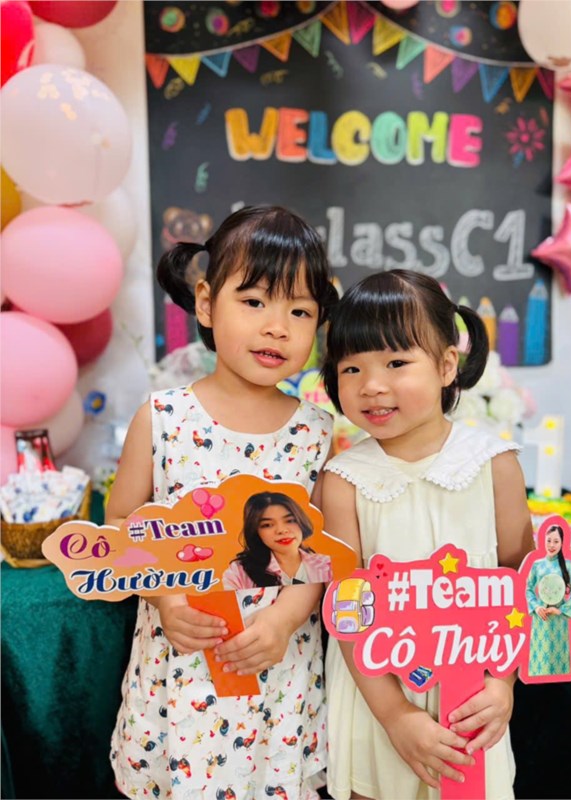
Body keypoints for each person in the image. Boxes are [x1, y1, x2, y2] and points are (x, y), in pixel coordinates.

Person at [106, 205, 338, 800]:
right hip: (183, 667)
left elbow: (322, 552)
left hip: (277, 671)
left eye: (299, 311)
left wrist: (283, 621)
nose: (277, 327)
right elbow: (120, 523)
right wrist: (165, 597)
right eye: (254, 301)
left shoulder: (316, 431)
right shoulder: (162, 418)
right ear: (207, 303)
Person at [320, 269, 534, 800]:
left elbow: (521, 582)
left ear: (446, 366)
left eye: (396, 363)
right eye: (352, 368)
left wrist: (501, 684)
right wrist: (395, 715)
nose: (372, 385)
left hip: (472, 701)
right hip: (378, 699)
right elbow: (345, 611)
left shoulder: (495, 465)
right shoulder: (342, 481)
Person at [222, 491, 333, 590]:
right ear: (255, 531)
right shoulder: (239, 572)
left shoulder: (326, 565)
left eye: (290, 520)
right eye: (267, 525)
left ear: (301, 521)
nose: (281, 530)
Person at [526, 523, 571, 677]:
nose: (552, 545)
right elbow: (527, 588)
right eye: (549, 540)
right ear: (543, 541)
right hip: (541, 616)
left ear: (562, 543)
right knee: (540, 656)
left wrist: (561, 610)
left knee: (559, 656)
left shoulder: (568, 565)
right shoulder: (537, 565)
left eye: (556, 541)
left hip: (559, 618)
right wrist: (536, 607)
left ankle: (559, 685)